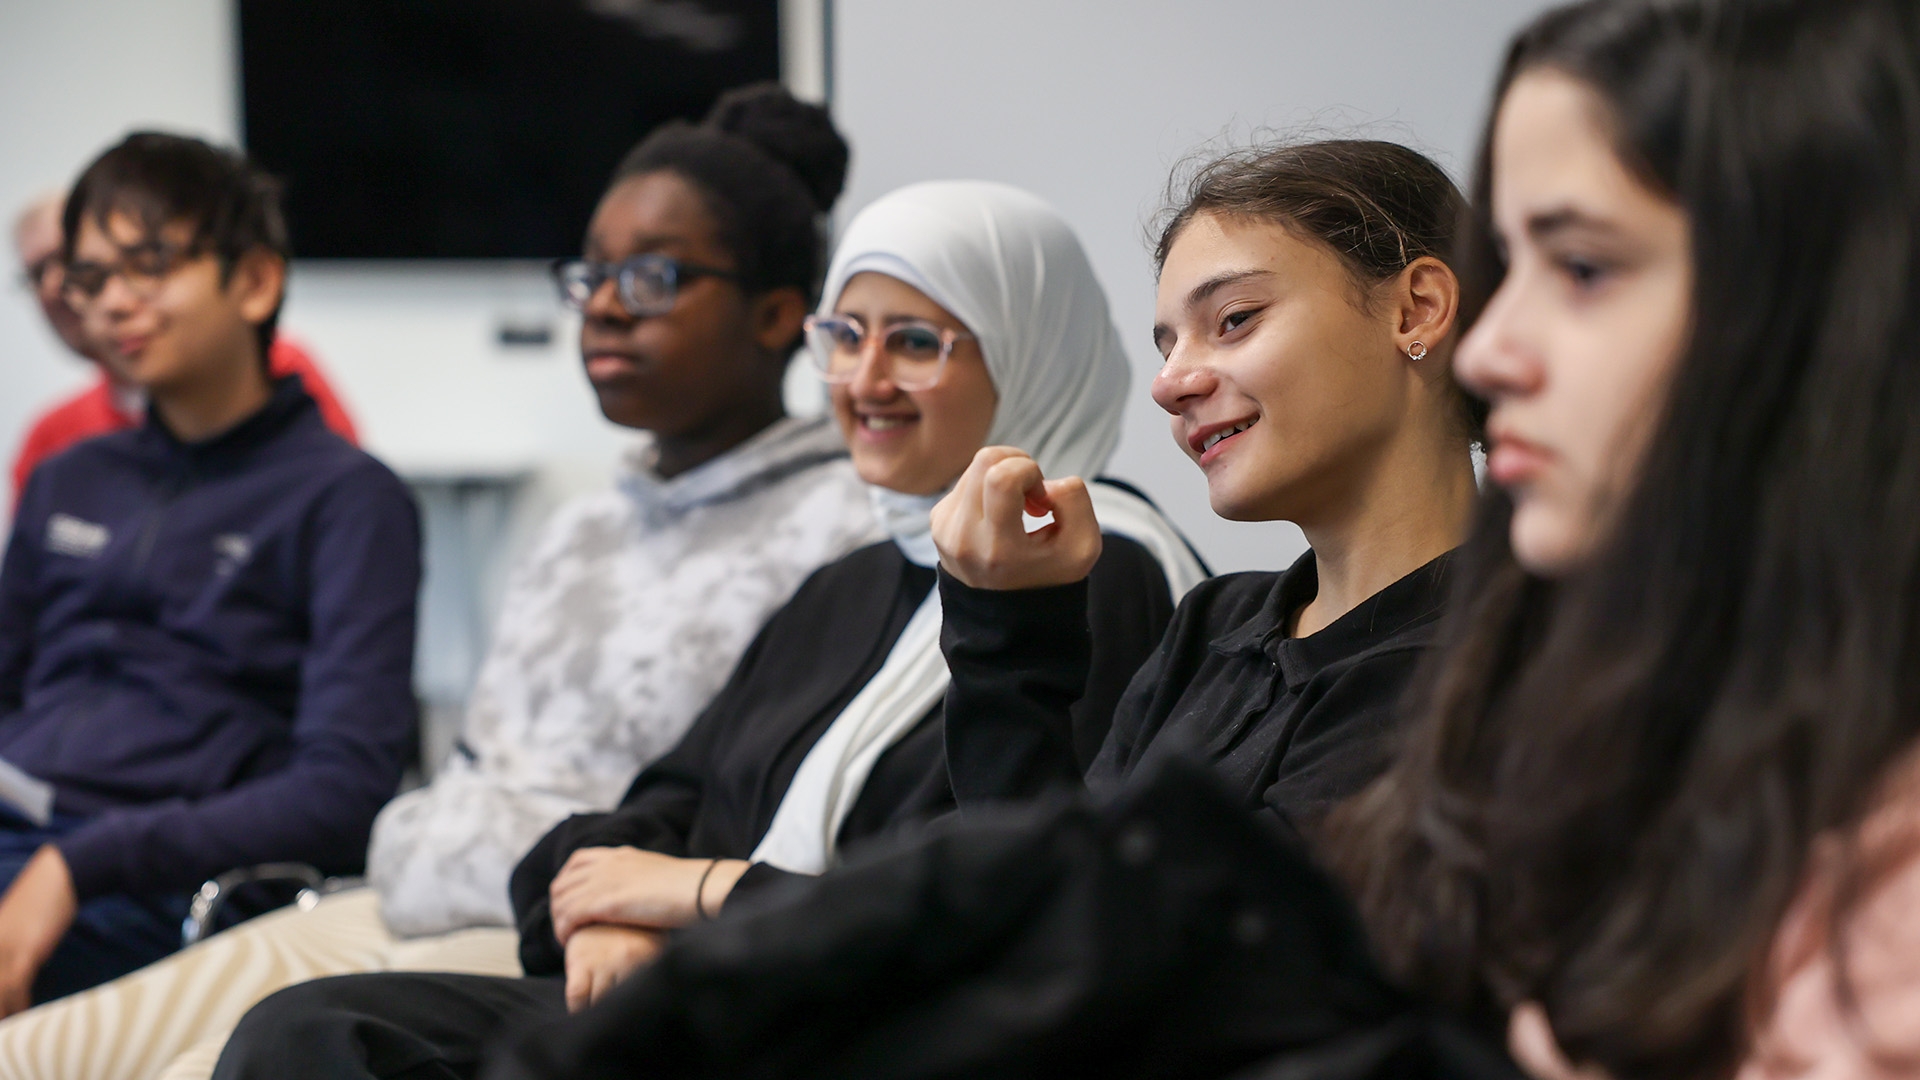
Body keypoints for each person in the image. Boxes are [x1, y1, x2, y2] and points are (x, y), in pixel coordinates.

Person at [211, 178, 1207, 1080]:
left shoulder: (1090, 569)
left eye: (915, 342)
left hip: (868, 1033)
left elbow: (987, 895)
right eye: (846, 336)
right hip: (716, 992)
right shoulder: (856, 578)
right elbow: (660, 799)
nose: (863, 381)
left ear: (1032, 349)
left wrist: (693, 898)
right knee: (315, 1033)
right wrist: (607, 912)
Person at [0, 83, 883, 1080]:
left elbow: (753, 821)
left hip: (560, 919)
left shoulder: (842, 534)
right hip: (404, 890)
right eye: (590, 274)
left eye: (649, 278)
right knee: (25, 1060)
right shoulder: (584, 522)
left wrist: (621, 900)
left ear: (777, 315)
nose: (600, 305)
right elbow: (473, 761)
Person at [1333, 1, 1920, 1078]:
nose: (1488, 352)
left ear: (1836, 312)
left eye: (1587, 269)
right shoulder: (1589, 694)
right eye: (1511, 264)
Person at [933, 139, 1481, 834]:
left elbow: (1123, 935)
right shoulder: (1213, 626)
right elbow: (1037, 899)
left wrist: (1008, 640)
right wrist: (1005, 629)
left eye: (1233, 320)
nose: (1170, 384)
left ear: (1416, 310)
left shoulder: (1492, 663)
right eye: (1169, 348)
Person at [0, 132, 420, 1011]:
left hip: (159, 883)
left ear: (255, 281)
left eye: (148, 264)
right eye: (89, 278)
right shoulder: (66, 477)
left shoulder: (347, 500)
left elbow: (344, 791)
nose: (113, 303)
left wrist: (81, 862)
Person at [10, 192, 358, 507]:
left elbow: (343, 506)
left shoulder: (274, 370)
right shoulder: (51, 441)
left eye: (72, 260)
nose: (56, 286)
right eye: (38, 272)